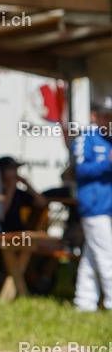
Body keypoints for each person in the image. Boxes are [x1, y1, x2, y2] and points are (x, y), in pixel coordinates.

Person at [71, 96, 112, 312]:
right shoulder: (85, 138)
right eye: (106, 116)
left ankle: (84, 302)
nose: (110, 121)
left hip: (107, 207)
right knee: (107, 256)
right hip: (94, 208)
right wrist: (108, 162)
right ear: (94, 116)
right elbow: (81, 170)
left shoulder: (110, 139)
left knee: (91, 257)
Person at [0, 156, 48, 232]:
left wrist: (28, 185)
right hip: (2, 231)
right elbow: (2, 212)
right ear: (1, 171)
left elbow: (43, 203)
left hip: (19, 231)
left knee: (55, 243)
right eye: (11, 169)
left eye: (16, 169)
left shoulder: (18, 193)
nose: (15, 172)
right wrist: (11, 188)